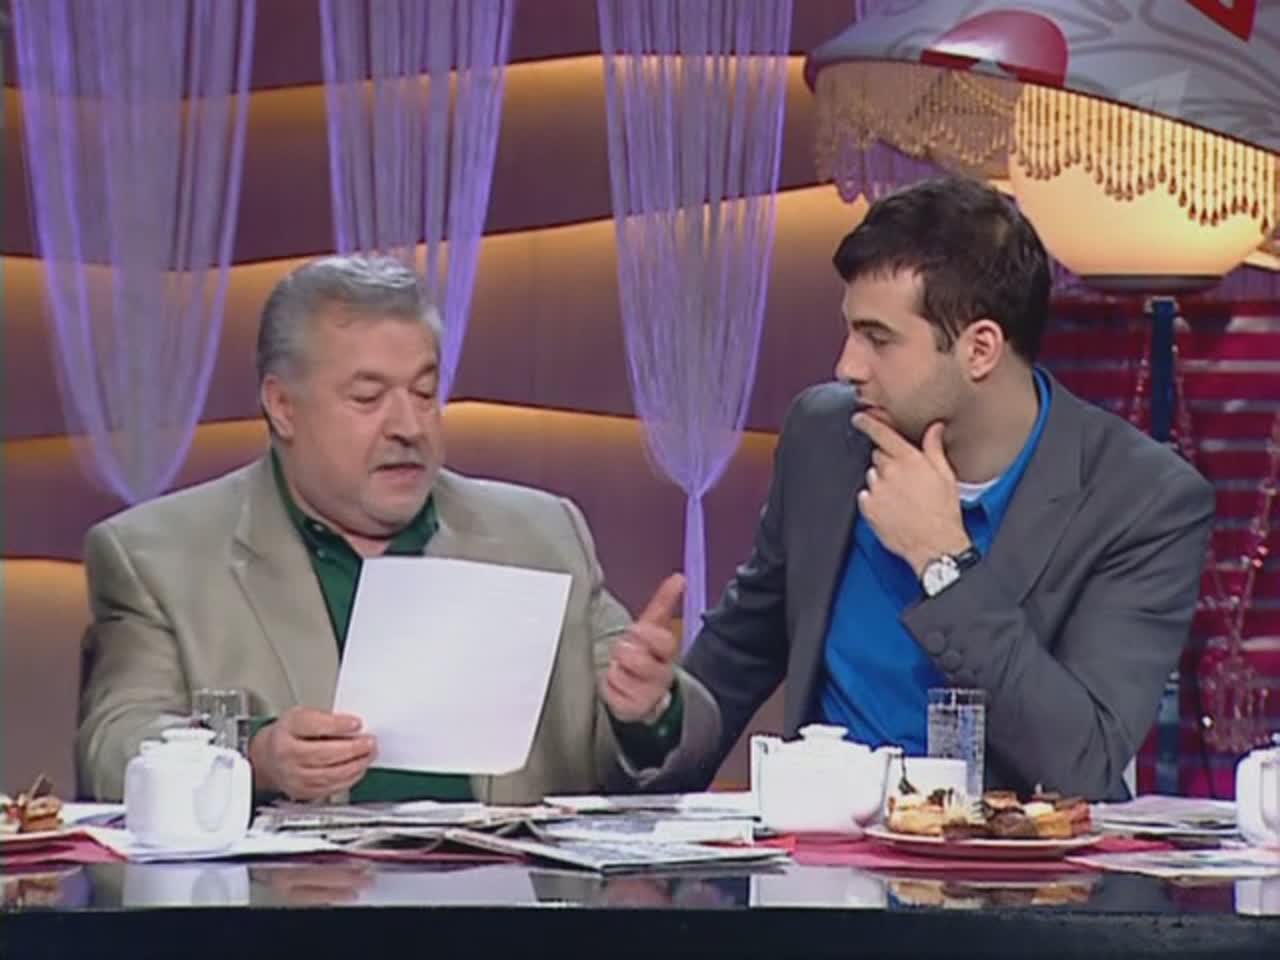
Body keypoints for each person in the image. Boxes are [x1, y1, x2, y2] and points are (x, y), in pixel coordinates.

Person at [609, 175, 1216, 801]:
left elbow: (1081, 765)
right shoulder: (825, 439)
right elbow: (734, 665)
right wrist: (659, 716)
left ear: (980, 349)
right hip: (821, 854)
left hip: (1004, 859)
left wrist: (942, 562)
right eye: (851, 331)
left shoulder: (1141, 500)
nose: (848, 366)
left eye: (879, 339)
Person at [77, 255, 719, 803]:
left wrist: (651, 714)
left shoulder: (542, 535)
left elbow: (686, 743)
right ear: (282, 406)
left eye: (423, 392)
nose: (408, 426)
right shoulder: (157, 557)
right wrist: (252, 761)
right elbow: (112, 747)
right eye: (368, 397)